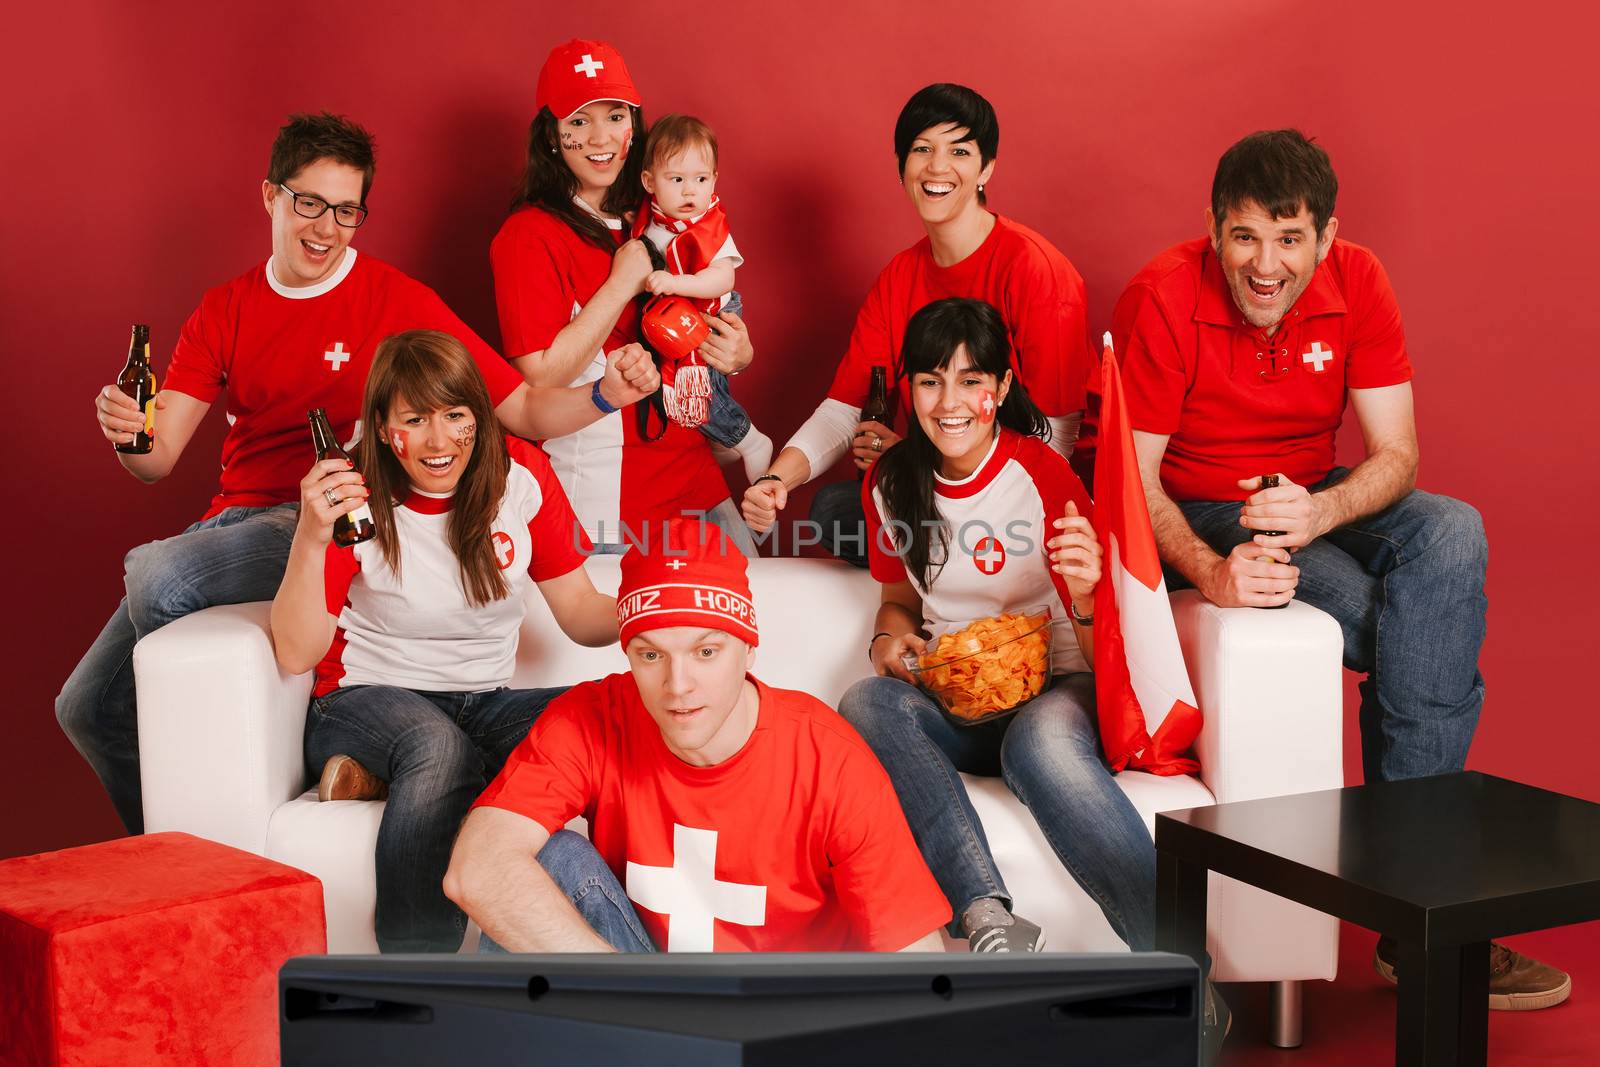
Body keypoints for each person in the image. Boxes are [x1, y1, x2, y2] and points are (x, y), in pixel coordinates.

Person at [63, 111, 657, 835]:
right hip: (233, 527)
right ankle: (169, 859)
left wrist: (606, 395)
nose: (325, 226)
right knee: (86, 709)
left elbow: (524, 407)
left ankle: (354, 744)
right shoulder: (226, 309)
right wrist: (127, 431)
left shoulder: (393, 298)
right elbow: (156, 462)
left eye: (347, 210)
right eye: (308, 202)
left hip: (325, 510)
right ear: (270, 197)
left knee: (158, 578)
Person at [1113, 128, 1566, 1009]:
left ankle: (1410, 900)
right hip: (1201, 502)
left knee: (1453, 532)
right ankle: (1427, 903)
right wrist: (1210, 573)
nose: (1266, 264)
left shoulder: (1360, 279)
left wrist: (1320, 509)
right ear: (1214, 230)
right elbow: (1132, 483)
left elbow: (1397, 453)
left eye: (1289, 238)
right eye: (1244, 236)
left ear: (1325, 236)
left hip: (1311, 493)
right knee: (1404, 620)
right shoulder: (1162, 295)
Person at [442, 517, 951, 953]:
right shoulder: (590, 716)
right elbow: (477, 870)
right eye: (651, 654)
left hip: (788, 1023)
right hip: (648, 1001)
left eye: (706, 652)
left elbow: (915, 955)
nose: (678, 686)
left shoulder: (828, 757)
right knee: (550, 859)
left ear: (748, 650)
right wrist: (643, 1009)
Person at [269, 329, 617, 953]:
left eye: (456, 416)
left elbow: (583, 614)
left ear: (479, 419)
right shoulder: (353, 493)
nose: (437, 441)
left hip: (482, 701)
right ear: (382, 428)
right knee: (439, 750)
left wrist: (660, 609)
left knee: (605, 710)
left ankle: (381, 779)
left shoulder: (520, 476)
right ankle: (415, 978)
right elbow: (295, 652)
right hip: (362, 698)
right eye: (415, 419)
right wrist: (311, 538)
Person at [836, 297, 1154, 955]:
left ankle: (1179, 954)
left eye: (971, 380)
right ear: (910, 390)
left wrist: (1091, 589)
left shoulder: (1040, 475)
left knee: (1034, 743)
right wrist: (886, 643)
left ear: (1001, 388)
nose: (948, 400)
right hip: (955, 699)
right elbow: (897, 600)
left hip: (1056, 688)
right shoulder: (889, 484)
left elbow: (1102, 661)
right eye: (930, 380)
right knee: (867, 700)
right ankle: (986, 916)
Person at [741, 83, 1093, 565]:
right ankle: (955, 566)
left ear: (987, 167)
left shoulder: (1036, 270)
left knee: (909, 509)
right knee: (833, 510)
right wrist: (776, 480)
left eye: (959, 151)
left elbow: (1058, 438)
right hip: (946, 491)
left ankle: (965, 564)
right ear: (901, 166)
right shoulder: (900, 276)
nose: (936, 167)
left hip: (1044, 491)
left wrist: (919, 456)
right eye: (922, 149)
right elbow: (843, 410)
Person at [491, 39, 758, 555]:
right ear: (551, 133)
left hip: (696, 474)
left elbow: (707, 308)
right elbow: (540, 378)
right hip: (606, 493)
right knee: (624, 636)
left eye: (615, 116)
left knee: (750, 622)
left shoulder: (661, 205)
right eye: (578, 121)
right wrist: (620, 283)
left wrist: (737, 354)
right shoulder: (529, 235)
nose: (601, 137)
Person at [632, 113, 774, 484]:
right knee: (702, 391)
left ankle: (748, 439)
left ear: (714, 180)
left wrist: (676, 283)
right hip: (676, 314)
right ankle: (723, 442)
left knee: (699, 392)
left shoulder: (709, 226)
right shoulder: (652, 223)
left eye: (701, 179)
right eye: (676, 180)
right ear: (650, 182)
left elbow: (722, 277)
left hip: (712, 312)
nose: (690, 191)